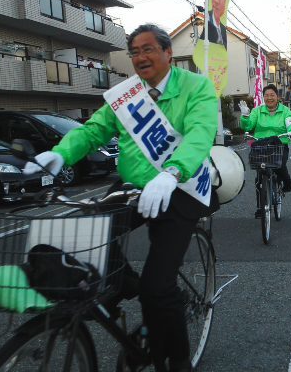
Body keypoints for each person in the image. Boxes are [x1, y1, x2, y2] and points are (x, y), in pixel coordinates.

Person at [23, 23, 219, 372]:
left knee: (159, 288)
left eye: (148, 49)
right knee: (84, 232)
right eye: (134, 52)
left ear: (167, 52)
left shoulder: (196, 87)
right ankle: (126, 282)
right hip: (134, 187)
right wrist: (60, 154)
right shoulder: (126, 95)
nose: (140, 57)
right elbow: (94, 130)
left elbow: (200, 134)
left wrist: (172, 173)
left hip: (181, 189)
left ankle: (177, 361)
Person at [239, 84, 291, 211]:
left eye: (272, 95)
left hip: (279, 145)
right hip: (261, 146)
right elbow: (248, 127)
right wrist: (245, 116)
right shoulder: (257, 111)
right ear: (263, 97)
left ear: (277, 97)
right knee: (259, 176)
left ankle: (287, 184)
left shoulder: (285, 111)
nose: (269, 98)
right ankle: (261, 207)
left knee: (279, 165)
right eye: (266, 95)